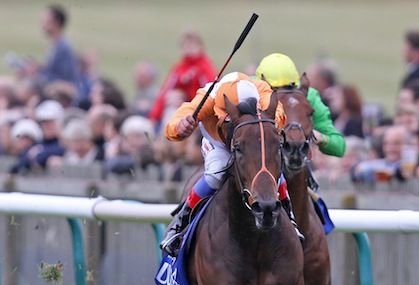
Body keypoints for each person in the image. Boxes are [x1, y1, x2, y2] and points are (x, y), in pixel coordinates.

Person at [159, 72, 287, 255]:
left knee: (273, 173)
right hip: (219, 143)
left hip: (251, 141)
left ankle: (289, 216)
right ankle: (180, 222)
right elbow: (174, 124)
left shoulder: (262, 92)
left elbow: (280, 114)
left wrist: (274, 119)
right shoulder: (208, 98)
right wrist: (180, 127)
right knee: (216, 174)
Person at [255, 53, 345, 159]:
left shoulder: (308, 97)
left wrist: (322, 138)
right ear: (261, 85)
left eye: (288, 87)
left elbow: (339, 146)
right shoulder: (247, 90)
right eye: (274, 89)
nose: (282, 95)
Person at [147, 32, 216, 125]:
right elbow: (165, 91)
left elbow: (210, 91)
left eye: (192, 45)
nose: (189, 49)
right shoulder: (178, 68)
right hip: (179, 107)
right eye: (185, 45)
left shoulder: (205, 67)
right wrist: (154, 117)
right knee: (172, 98)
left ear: (200, 47)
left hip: (199, 110)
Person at [37, 5, 79, 86]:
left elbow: (65, 79)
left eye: (46, 21)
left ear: (56, 24)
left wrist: (38, 74)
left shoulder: (64, 47)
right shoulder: (56, 44)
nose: (42, 25)